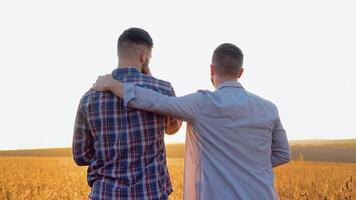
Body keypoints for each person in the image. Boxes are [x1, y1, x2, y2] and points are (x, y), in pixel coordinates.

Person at [93, 43, 291, 200]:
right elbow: (283, 154)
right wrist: (249, 166)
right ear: (240, 73)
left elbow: (157, 101)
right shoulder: (268, 108)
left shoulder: (201, 103)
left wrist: (114, 84)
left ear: (211, 69)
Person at [72, 27, 182, 200]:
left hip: (105, 193)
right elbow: (173, 128)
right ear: (144, 55)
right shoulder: (163, 89)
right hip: (151, 193)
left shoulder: (89, 97)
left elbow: (80, 156)